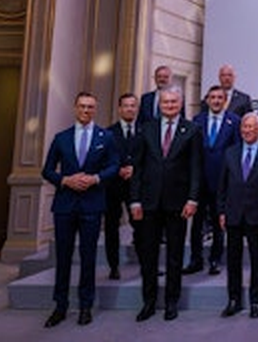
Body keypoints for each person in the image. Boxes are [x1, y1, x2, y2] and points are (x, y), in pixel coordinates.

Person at [41, 92, 119, 327]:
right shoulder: (61, 138)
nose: (86, 110)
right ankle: (60, 306)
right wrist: (65, 180)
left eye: (91, 107)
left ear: (95, 110)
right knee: (63, 257)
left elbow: (114, 165)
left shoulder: (106, 137)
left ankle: (86, 306)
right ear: (75, 108)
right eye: (82, 106)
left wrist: (95, 178)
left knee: (88, 257)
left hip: (92, 204)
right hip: (65, 205)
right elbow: (47, 170)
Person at [130, 86, 203, 322]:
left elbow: (196, 169)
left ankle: (172, 302)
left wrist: (192, 199)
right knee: (149, 256)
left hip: (178, 203)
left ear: (181, 104)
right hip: (149, 202)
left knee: (174, 256)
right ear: (159, 104)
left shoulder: (192, 130)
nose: (169, 106)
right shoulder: (147, 128)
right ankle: (148, 302)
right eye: (165, 102)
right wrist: (134, 200)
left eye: (173, 102)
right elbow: (138, 168)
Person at [217, 112, 258, 319]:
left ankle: (256, 301)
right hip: (234, 214)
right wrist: (221, 211)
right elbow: (222, 186)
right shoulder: (230, 153)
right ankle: (233, 300)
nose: (247, 130)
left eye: (252, 127)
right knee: (233, 261)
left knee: (257, 261)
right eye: (245, 127)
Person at [186, 85, 239, 275]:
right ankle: (195, 259)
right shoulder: (196, 121)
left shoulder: (234, 121)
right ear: (207, 100)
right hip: (199, 181)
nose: (216, 100)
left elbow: (235, 153)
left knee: (219, 223)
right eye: (212, 97)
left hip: (222, 181)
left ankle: (215, 259)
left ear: (225, 100)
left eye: (219, 97)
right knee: (197, 224)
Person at [103, 92, 141, 281]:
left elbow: (149, 157)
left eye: (133, 105)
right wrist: (117, 169)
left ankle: (145, 264)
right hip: (113, 187)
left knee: (141, 227)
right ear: (120, 109)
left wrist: (134, 168)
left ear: (137, 108)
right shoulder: (108, 132)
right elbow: (104, 159)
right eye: (126, 106)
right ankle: (114, 266)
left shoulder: (144, 131)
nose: (130, 109)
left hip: (137, 187)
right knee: (112, 227)